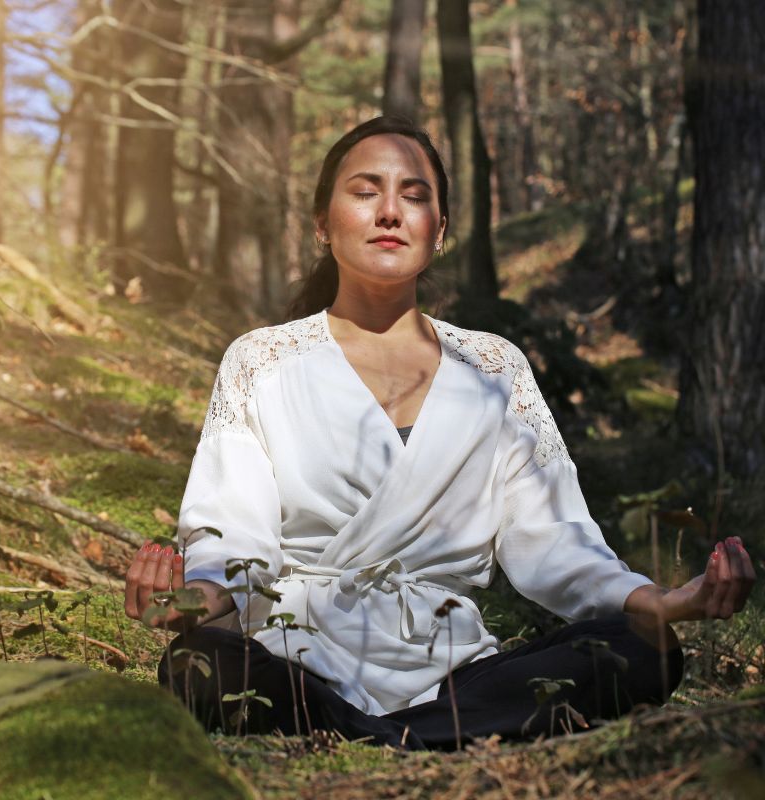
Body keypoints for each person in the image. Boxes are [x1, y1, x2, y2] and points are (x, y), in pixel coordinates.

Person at [124, 116, 756, 750]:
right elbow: (235, 529)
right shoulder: (263, 360)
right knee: (198, 665)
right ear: (322, 223)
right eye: (366, 191)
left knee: (640, 650)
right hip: (298, 661)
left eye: (416, 196)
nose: (391, 212)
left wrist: (662, 603)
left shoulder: (492, 369)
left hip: (458, 670)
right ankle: (429, 738)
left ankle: (374, 736)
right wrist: (193, 601)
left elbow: (555, 540)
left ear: (441, 231)